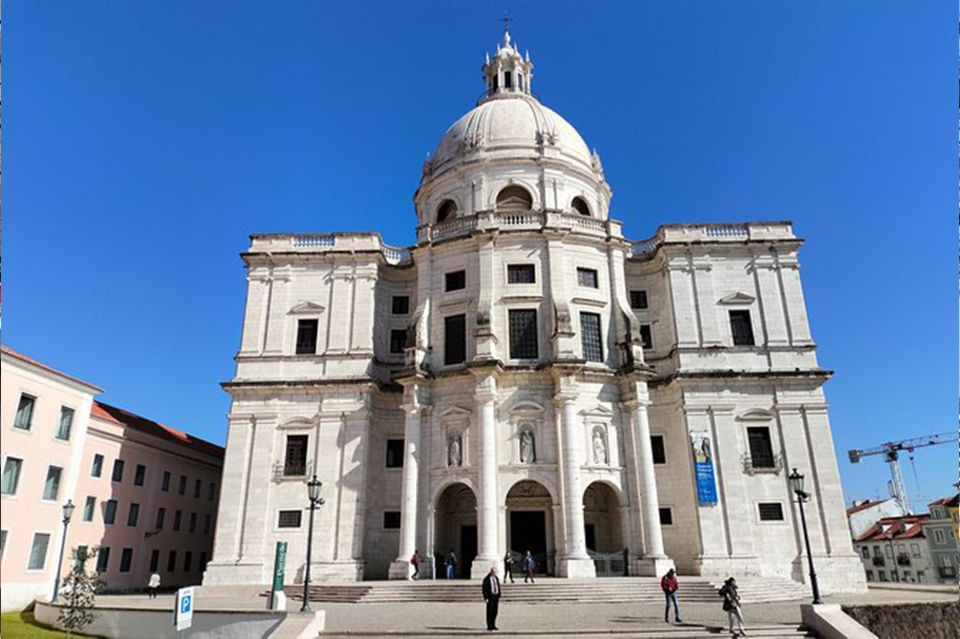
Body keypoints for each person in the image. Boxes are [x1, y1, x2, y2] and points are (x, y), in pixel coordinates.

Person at [481, 565, 501, 631]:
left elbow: (498, 586)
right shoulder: (486, 579)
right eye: (494, 572)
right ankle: (489, 625)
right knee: (489, 611)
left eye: (496, 572)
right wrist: (486, 597)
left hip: (496, 597)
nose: (495, 573)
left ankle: (493, 624)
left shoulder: (496, 578)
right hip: (490, 597)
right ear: (491, 572)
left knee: (495, 612)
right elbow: (484, 589)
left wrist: (499, 595)